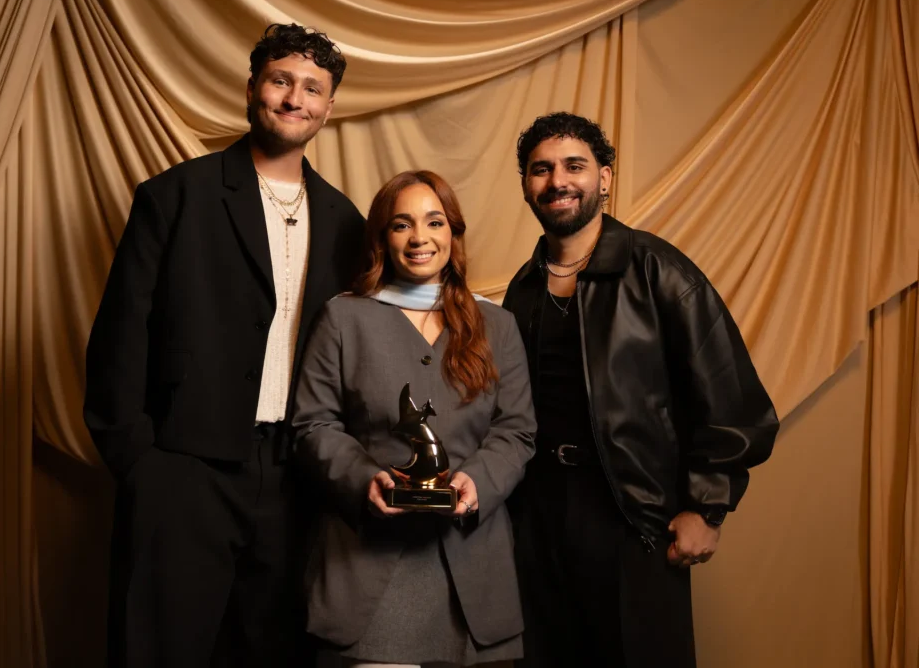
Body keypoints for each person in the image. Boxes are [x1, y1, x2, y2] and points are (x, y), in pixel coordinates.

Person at [83, 23, 364, 667]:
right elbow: (119, 339)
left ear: (328, 107)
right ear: (254, 88)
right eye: (281, 80)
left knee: (270, 652)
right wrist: (142, 467)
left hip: (296, 478)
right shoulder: (175, 196)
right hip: (183, 470)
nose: (296, 98)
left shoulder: (346, 221)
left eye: (313, 88)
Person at [503, 112, 780, 667]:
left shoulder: (658, 271)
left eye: (574, 166)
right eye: (542, 169)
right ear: (527, 186)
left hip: (634, 518)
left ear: (604, 178)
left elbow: (735, 401)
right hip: (538, 519)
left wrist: (708, 507)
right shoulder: (525, 285)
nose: (557, 180)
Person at [292, 170, 537, 667]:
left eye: (434, 222)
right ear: (382, 238)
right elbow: (313, 424)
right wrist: (365, 480)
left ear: (454, 233)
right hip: (368, 572)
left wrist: (477, 484)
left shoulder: (498, 324)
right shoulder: (343, 318)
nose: (420, 238)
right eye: (402, 224)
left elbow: (516, 430)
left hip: (473, 565)